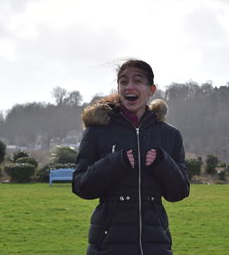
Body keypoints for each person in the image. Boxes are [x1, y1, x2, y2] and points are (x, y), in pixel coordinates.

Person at [72, 59, 190, 255]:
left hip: (156, 245)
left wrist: (163, 162)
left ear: (151, 89)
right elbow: (81, 187)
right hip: (108, 245)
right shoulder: (97, 132)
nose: (130, 86)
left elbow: (179, 192)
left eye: (137, 81)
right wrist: (116, 162)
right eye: (124, 81)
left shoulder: (170, 135)